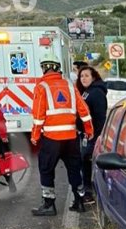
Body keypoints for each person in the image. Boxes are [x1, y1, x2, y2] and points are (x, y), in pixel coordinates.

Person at [30, 52, 94, 216]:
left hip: (51, 140)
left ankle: (49, 204)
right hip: (71, 139)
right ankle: (79, 201)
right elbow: (84, 110)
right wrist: (89, 130)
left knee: (46, 169)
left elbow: (38, 116)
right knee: (74, 169)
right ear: (58, 68)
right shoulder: (69, 85)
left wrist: (35, 136)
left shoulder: (42, 87)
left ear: (44, 68)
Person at [75, 66, 108, 203]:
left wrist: (95, 135)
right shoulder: (87, 92)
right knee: (85, 163)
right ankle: (88, 191)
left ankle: (90, 193)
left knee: (89, 164)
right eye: (81, 76)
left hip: (92, 136)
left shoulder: (96, 93)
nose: (83, 78)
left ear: (93, 77)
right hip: (86, 135)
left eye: (87, 75)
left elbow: (100, 117)